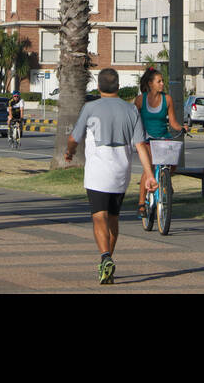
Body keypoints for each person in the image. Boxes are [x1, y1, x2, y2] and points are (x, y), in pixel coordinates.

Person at [65, 68, 156, 285]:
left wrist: (69, 152)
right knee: (113, 218)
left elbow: (73, 138)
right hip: (120, 172)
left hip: (97, 171)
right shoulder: (131, 110)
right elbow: (140, 145)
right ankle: (108, 261)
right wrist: (150, 175)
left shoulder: (90, 108)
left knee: (99, 217)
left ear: (98, 87)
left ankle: (105, 257)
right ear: (118, 86)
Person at [132, 69, 186, 219]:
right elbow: (133, 120)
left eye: (162, 81)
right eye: (159, 81)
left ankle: (165, 183)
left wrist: (181, 128)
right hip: (147, 139)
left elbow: (173, 122)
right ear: (150, 84)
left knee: (172, 163)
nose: (162, 84)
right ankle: (141, 203)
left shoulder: (167, 99)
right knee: (148, 168)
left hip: (163, 137)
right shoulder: (140, 100)